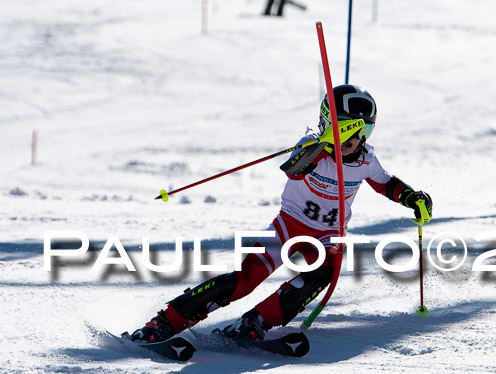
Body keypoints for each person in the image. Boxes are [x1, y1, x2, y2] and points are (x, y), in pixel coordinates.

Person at [130, 85, 433, 343]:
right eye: (350, 132)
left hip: (328, 236)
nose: (355, 142)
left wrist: (413, 198)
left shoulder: (365, 160)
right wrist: (322, 145)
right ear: (330, 125)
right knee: (246, 279)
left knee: (322, 275)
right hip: (288, 226)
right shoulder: (310, 145)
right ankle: (167, 320)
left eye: (364, 132)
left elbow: (386, 184)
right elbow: (294, 171)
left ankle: (256, 322)